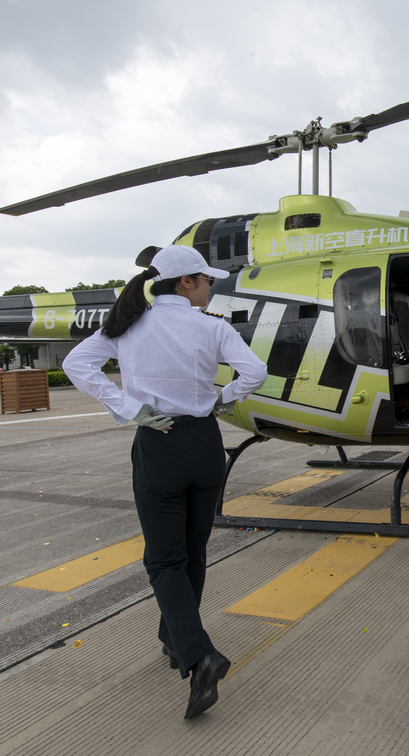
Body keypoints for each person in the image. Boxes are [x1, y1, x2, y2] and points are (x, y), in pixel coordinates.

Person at [62, 245, 269, 718]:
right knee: (191, 552)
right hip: (204, 445)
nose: (211, 285)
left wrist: (132, 409)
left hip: (159, 441)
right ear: (185, 283)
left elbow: (78, 365)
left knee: (163, 560)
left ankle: (199, 656)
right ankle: (175, 640)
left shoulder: (130, 325)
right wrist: (222, 400)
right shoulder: (212, 326)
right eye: (206, 279)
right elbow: (254, 372)